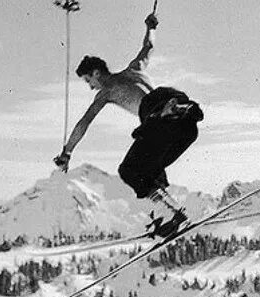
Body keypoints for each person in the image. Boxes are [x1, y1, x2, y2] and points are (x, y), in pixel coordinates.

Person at [53, 13, 203, 237]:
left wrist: (67, 152)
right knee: (150, 170)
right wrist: (150, 26)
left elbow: (84, 122)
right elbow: (148, 46)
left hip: (158, 122)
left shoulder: (107, 92)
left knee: (129, 170)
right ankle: (169, 213)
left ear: (96, 73)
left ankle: (171, 213)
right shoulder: (135, 68)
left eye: (88, 80)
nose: (90, 87)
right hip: (185, 126)